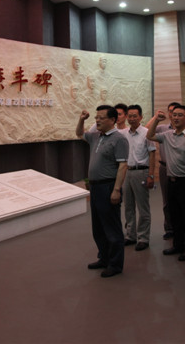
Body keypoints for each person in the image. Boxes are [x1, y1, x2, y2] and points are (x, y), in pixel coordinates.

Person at [76, 105, 129, 278]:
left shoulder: (119, 139)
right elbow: (79, 133)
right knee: (98, 227)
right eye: (96, 118)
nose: (97, 121)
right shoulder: (96, 136)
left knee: (112, 227)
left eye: (101, 118)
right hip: (95, 187)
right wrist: (81, 119)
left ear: (112, 120)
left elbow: (122, 165)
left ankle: (115, 264)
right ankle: (104, 258)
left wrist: (116, 190)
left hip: (108, 186)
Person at [147, 105, 185, 261]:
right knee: (175, 215)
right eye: (174, 115)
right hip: (171, 181)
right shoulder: (167, 135)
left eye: (180, 115)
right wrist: (156, 120)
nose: (176, 117)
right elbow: (150, 135)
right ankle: (178, 245)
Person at [122, 105, 156, 251]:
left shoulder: (147, 133)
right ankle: (131, 235)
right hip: (127, 172)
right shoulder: (124, 133)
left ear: (141, 117)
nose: (132, 118)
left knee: (143, 207)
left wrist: (151, 175)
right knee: (128, 206)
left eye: (135, 116)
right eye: (129, 116)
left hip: (141, 172)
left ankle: (143, 238)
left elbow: (152, 154)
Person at [154, 102, 181, 240]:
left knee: (181, 201)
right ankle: (169, 228)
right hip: (164, 167)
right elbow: (146, 131)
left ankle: (181, 230)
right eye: (170, 112)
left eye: (176, 112)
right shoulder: (163, 128)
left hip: (181, 169)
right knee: (167, 200)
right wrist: (156, 118)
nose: (173, 115)